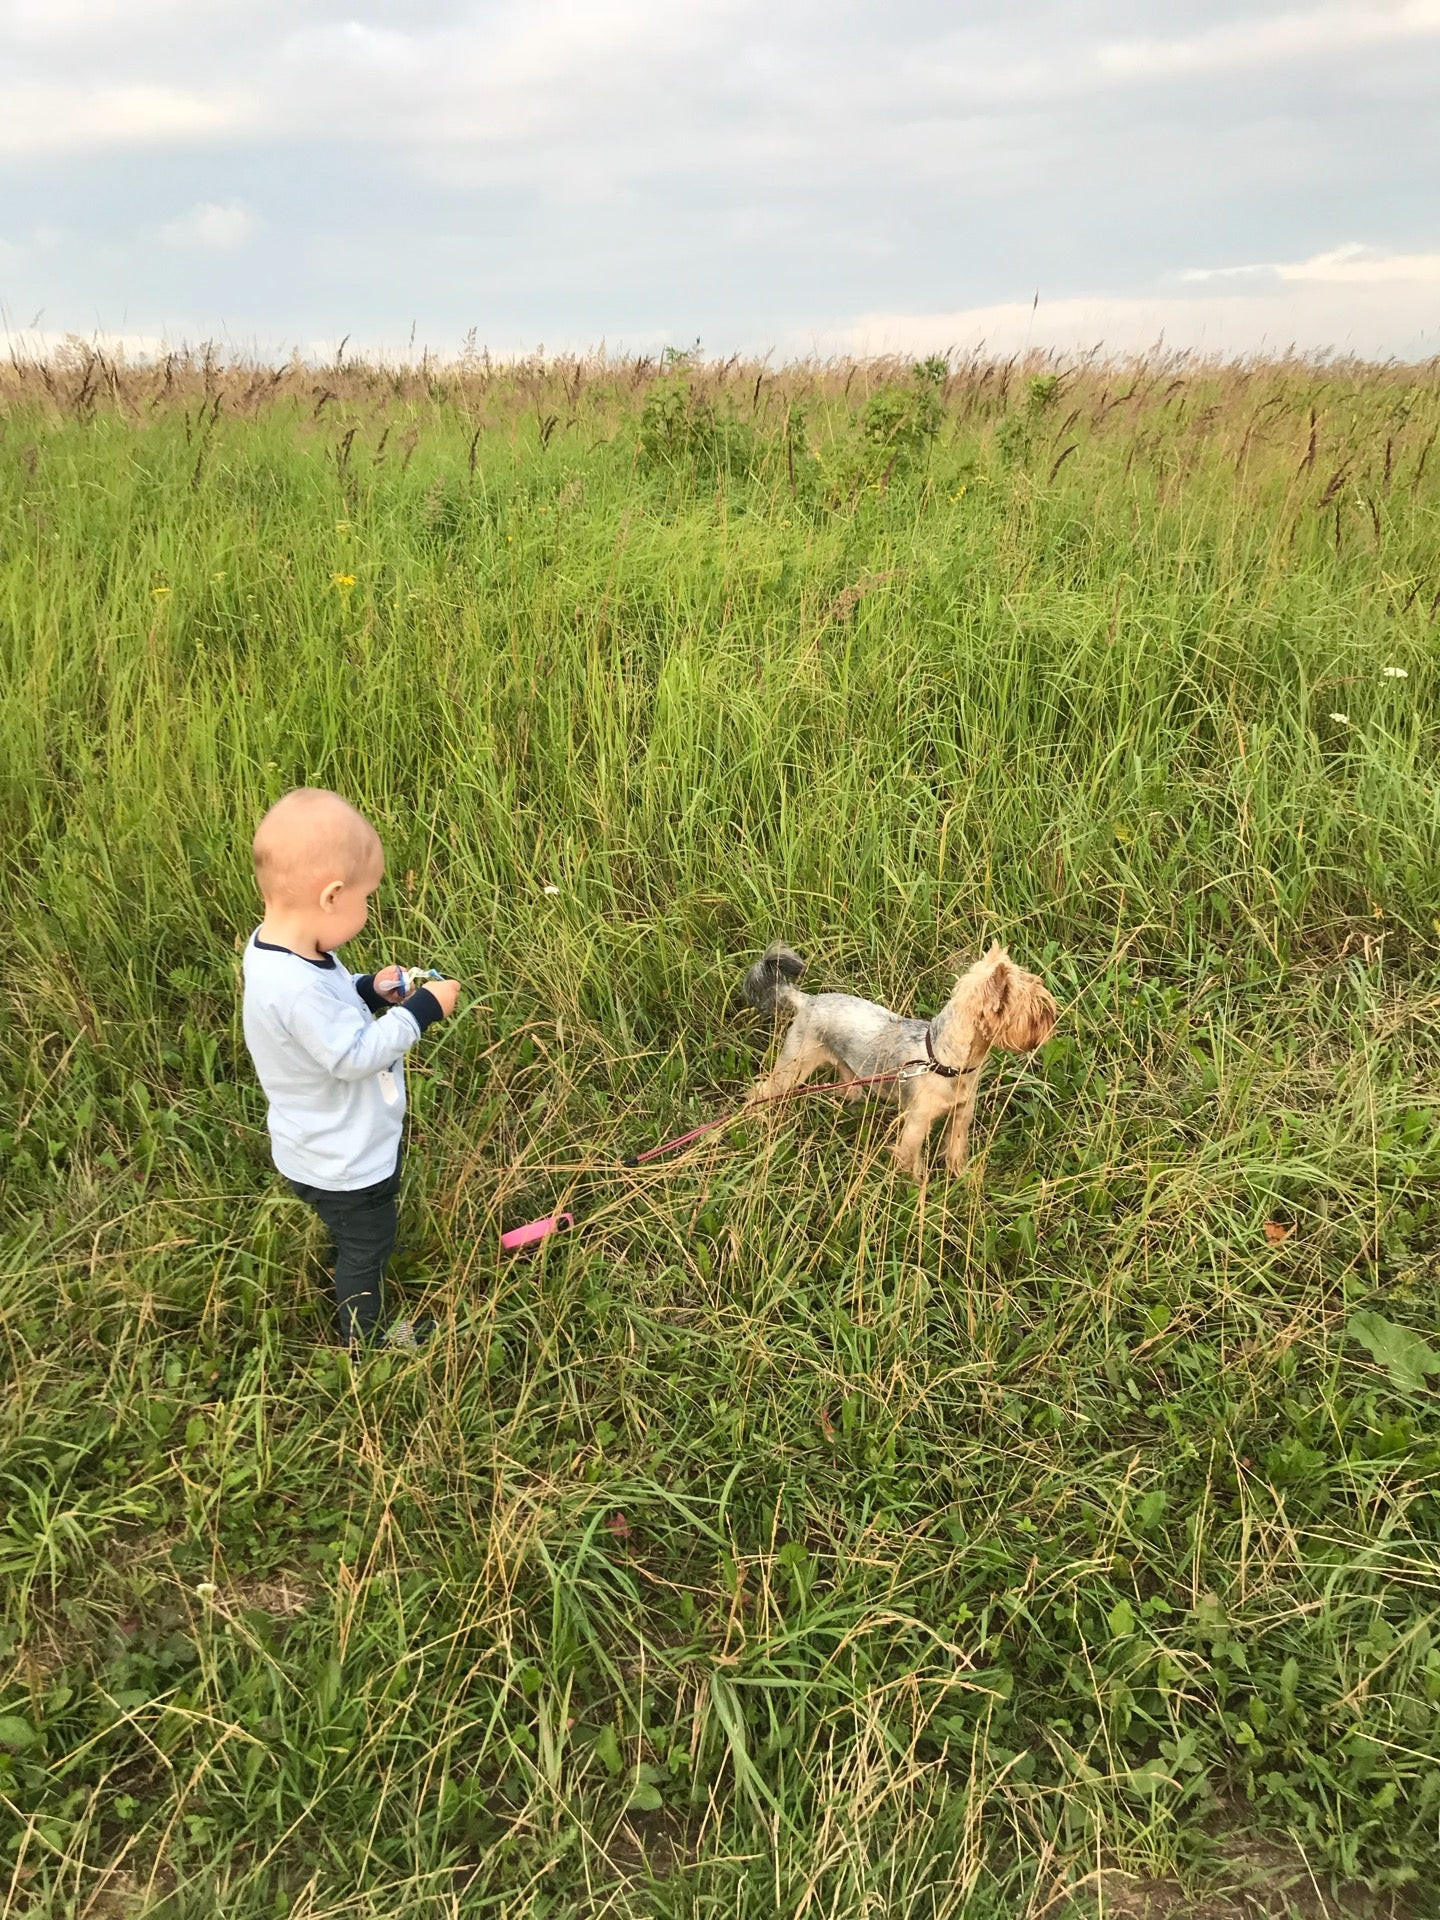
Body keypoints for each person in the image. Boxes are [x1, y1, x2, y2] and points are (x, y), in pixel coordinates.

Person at [240, 787, 459, 1349]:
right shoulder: (295, 990)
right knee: (368, 1242)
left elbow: (328, 1003)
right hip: (343, 1160)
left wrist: (369, 989)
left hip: (321, 1142)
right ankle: (368, 1336)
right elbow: (353, 1055)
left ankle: (357, 1244)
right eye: (367, 898)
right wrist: (420, 1011)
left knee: (362, 1228)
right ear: (332, 896)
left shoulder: (280, 946)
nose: (368, 910)